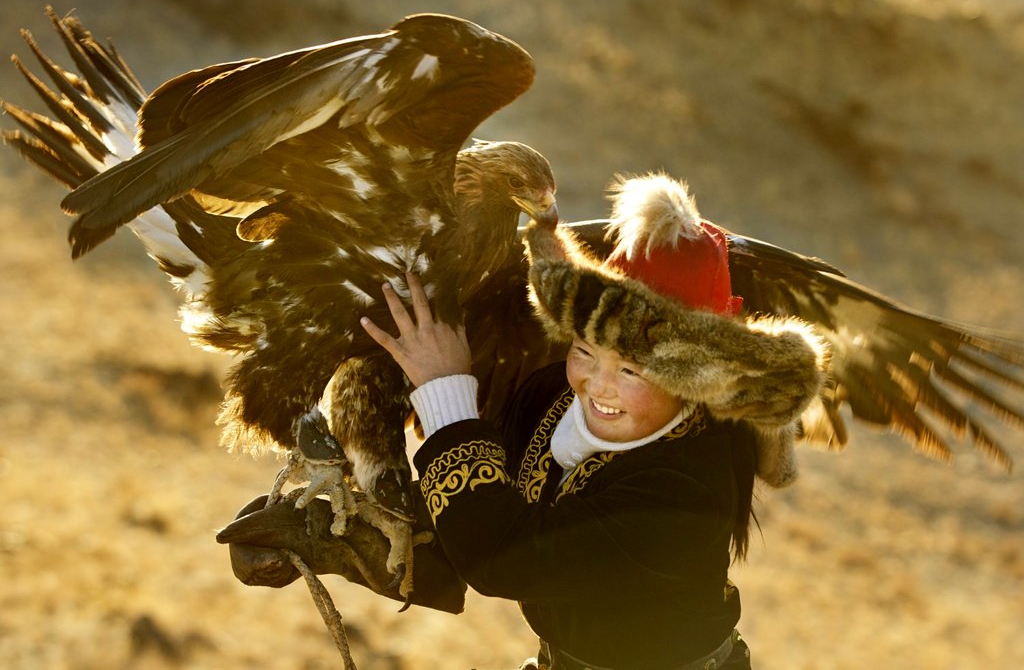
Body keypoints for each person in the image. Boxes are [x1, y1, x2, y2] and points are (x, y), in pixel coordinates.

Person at [218, 174, 828, 669]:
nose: (599, 387)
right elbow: (472, 526)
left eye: (634, 372)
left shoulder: (686, 487)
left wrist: (445, 391)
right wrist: (328, 539)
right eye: (586, 350)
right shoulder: (551, 398)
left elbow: (504, 558)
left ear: (695, 378)